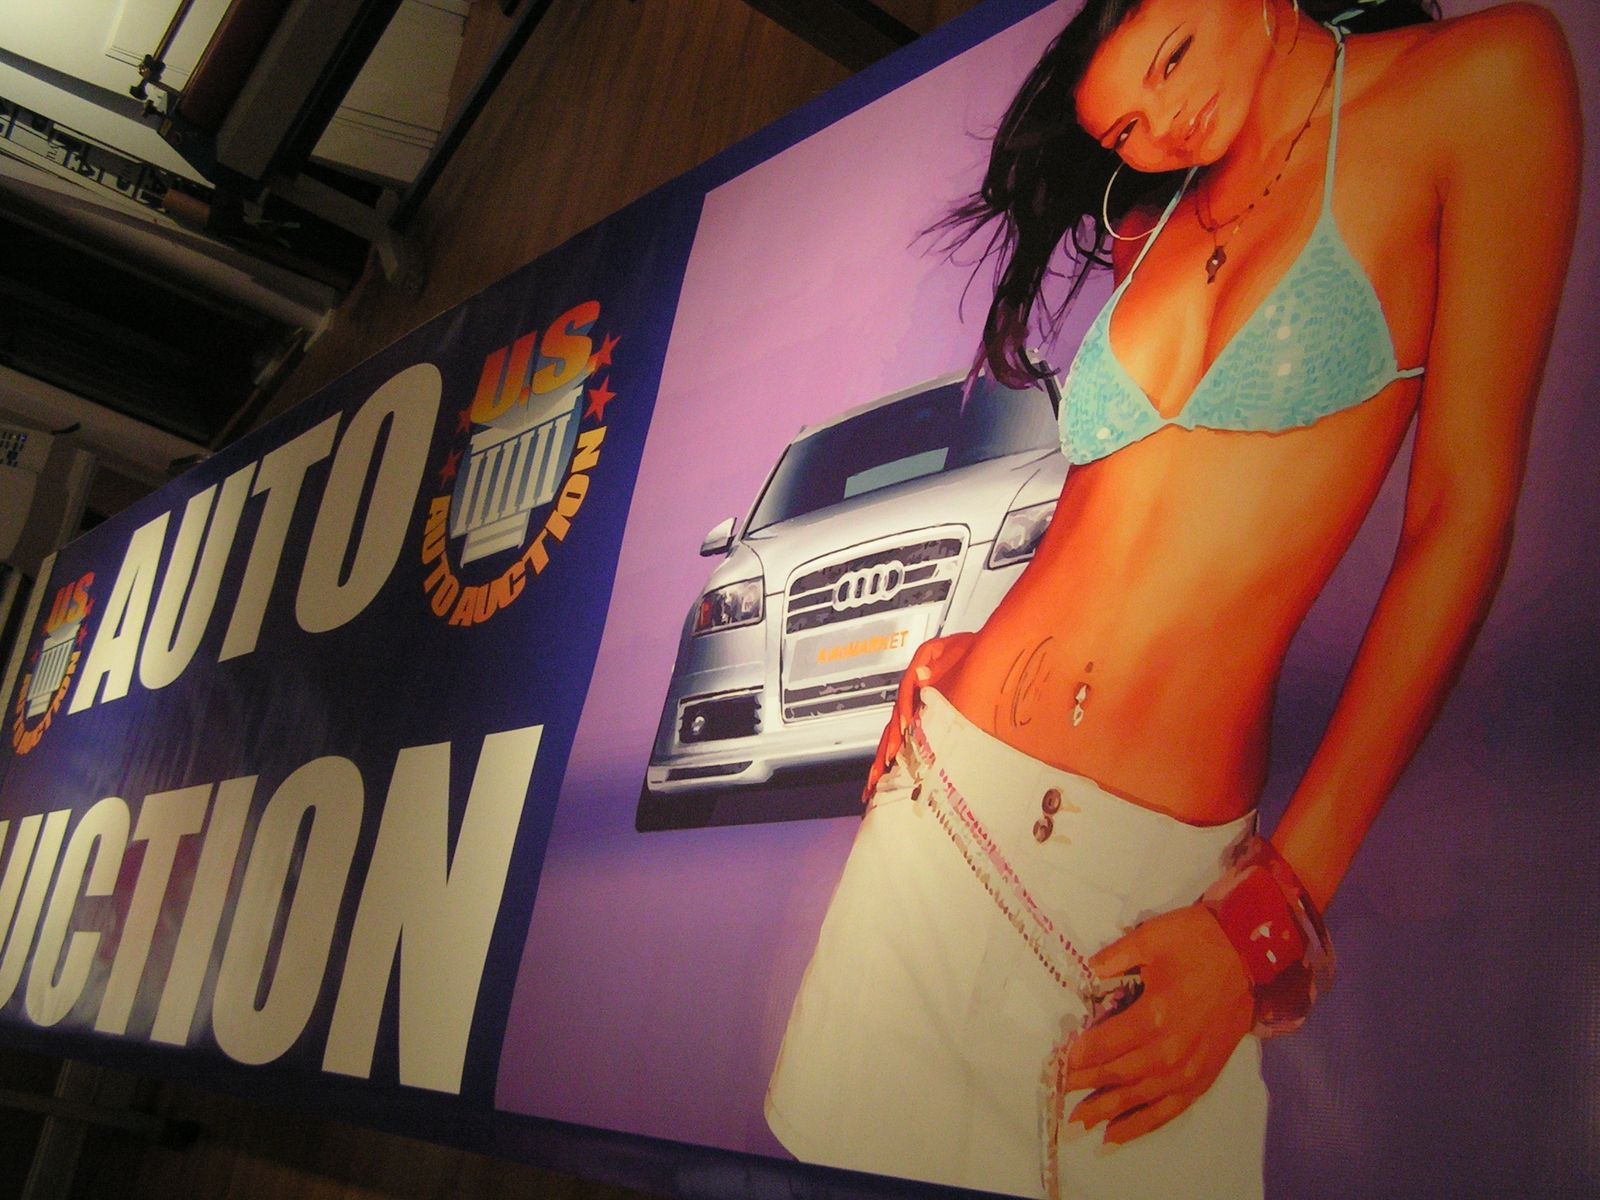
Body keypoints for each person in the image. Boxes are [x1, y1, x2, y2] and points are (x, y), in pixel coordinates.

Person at [763, 0, 1580, 1197]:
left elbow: (1462, 521)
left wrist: (1268, 916)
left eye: (1173, 57)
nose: (1166, 122)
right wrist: (967, 647)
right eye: (1127, 130)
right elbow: (1121, 510)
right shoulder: (1151, 224)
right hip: (944, 809)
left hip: (1149, 893)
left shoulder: (1479, 83)